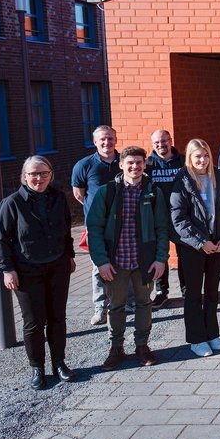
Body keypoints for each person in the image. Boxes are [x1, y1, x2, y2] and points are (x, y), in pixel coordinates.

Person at [0, 156, 76, 389]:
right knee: (34, 322)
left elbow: (66, 228)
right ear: (25, 176)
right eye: (33, 174)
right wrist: (7, 269)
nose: (39, 178)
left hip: (57, 266)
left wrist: (69, 255)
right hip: (26, 270)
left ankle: (59, 363)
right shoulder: (12, 203)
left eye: (43, 173)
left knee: (57, 318)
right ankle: (37, 368)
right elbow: (1, 240)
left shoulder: (58, 198)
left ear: (51, 175)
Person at [86, 146, 169, 371]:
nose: (135, 167)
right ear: (121, 165)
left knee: (144, 303)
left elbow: (162, 228)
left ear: (144, 164)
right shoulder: (107, 192)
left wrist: (161, 258)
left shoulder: (153, 192)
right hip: (115, 263)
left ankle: (142, 346)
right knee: (116, 306)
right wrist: (101, 261)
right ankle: (116, 349)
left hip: (144, 262)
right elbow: (94, 228)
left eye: (139, 162)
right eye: (130, 163)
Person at [170, 139, 220, 358]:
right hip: (193, 246)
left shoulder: (219, 176)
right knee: (194, 294)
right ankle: (197, 339)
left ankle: (212, 333)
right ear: (189, 157)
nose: (202, 160)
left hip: (217, 243)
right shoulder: (182, 180)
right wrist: (200, 242)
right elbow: (178, 219)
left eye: (205, 156)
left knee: (213, 292)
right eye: (197, 156)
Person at [72, 125, 121, 325]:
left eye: (110, 138)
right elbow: (79, 195)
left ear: (115, 140)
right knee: (98, 266)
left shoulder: (124, 161)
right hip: (97, 226)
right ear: (95, 142)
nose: (106, 142)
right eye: (102, 139)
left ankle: (128, 303)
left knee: (127, 263)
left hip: (124, 223)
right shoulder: (84, 165)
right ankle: (101, 308)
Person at [145, 129, 185, 308]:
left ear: (171, 140)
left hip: (181, 216)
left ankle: (187, 289)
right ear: (152, 145)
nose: (161, 145)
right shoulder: (148, 165)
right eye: (157, 142)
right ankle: (162, 291)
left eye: (164, 141)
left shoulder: (183, 161)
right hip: (157, 217)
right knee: (159, 255)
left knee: (184, 255)